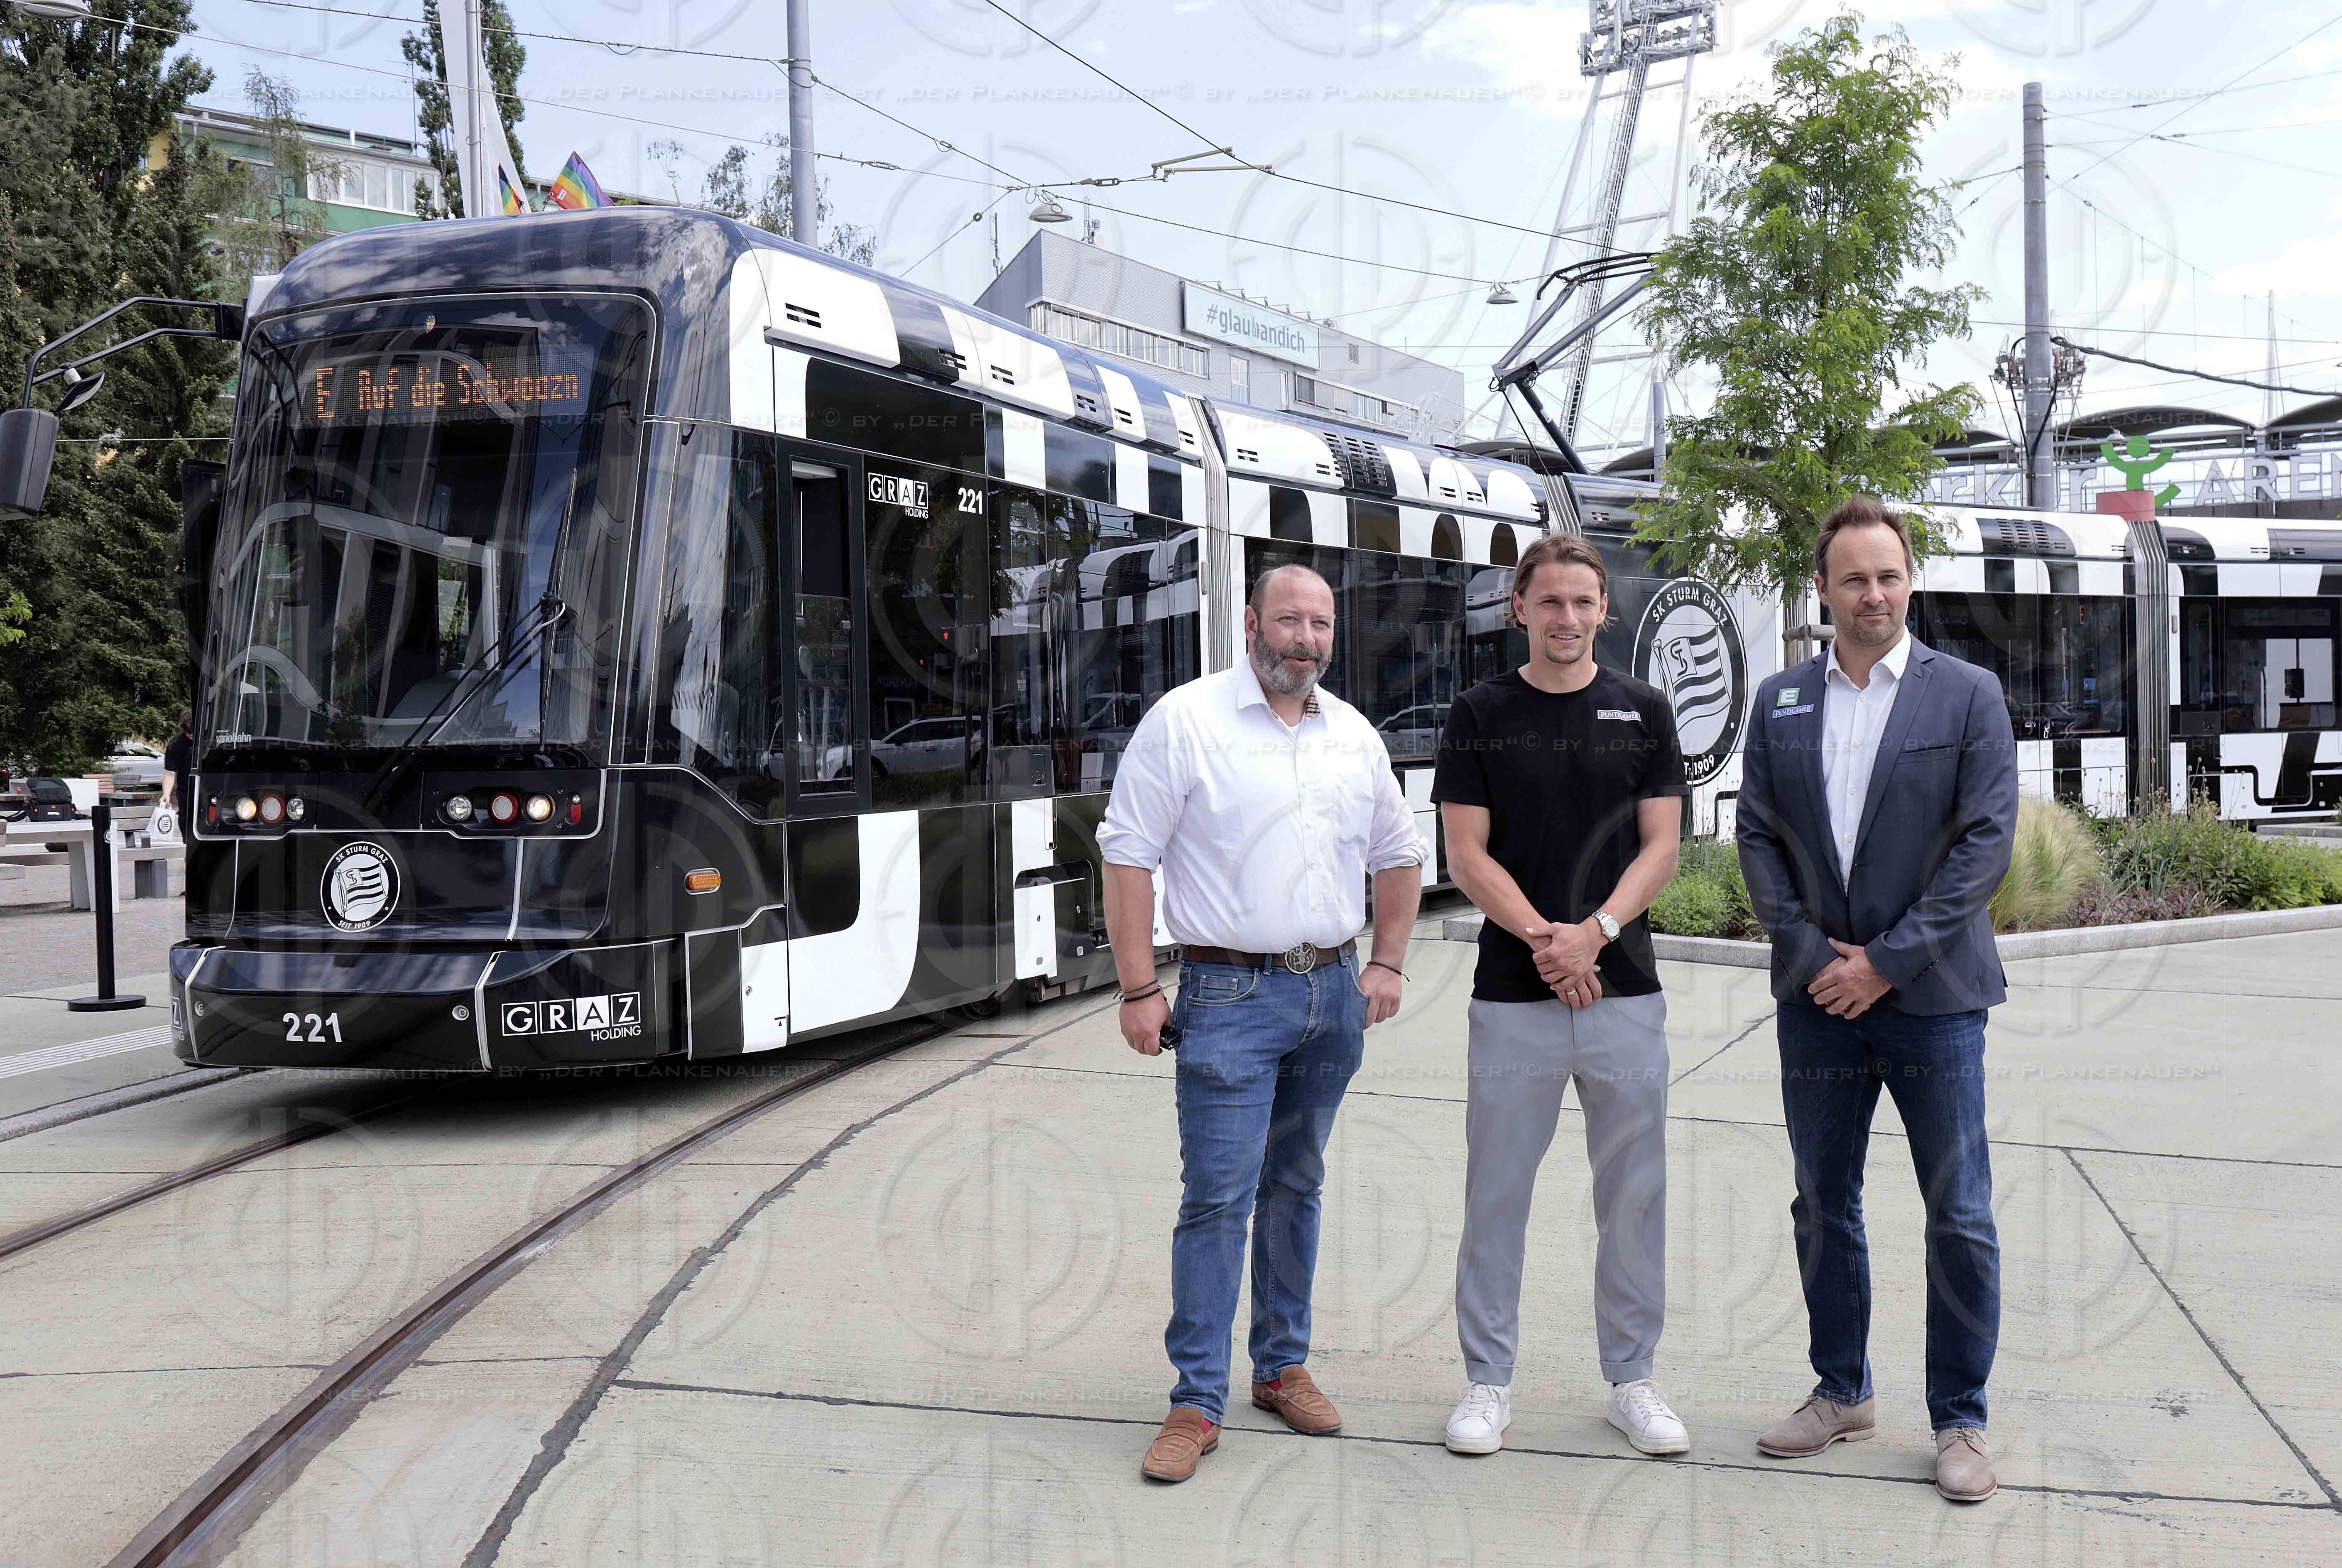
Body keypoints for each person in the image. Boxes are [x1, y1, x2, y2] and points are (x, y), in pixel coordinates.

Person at [1098, 562, 1427, 1485]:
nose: (1306, 640)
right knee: (1217, 1196)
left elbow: (1399, 855)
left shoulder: (1353, 735)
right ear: (1251, 624)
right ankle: (1195, 1402)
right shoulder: (1188, 720)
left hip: (1331, 996)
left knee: (1298, 1182)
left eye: (1321, 624)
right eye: (1290, 621)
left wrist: (1389, 962)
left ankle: (1281, 1365)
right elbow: (1127, 856)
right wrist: (1136, 989)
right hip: (1227, 998)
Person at [1735, 495, 2017, 1504]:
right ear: (1822, 588)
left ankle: (1959, 1420)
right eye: (1852, 578)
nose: (1872, 593)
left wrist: (1885, 963)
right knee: (1822, 1202)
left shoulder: (1966, 694)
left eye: (1888, 575)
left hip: (1931, 998)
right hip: (1817, 999)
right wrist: (1817, 956)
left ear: (1910, 580)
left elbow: (1983, 843)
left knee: (1959, 1211)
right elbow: (1755, 837)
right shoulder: (1778, 702)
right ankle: (1840, 1389)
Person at [1430, 532, 1692, 1460]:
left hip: (1623, 992)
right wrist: (1550, 941)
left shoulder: (1644, 709)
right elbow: (1468, 855)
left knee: (1633, 1197)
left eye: (1584, 602)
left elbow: (1662, 847)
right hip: (1513, 997)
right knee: (1497, 1196)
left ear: (1603, 612)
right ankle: (1486, 1383)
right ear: (1520, 609)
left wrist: (1598, 935)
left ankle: (1633, 1381)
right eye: (1551, 602)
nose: (1568, 618)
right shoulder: (1479, 712)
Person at [161, 709, 194, 815]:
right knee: (185, 821)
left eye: (193, 733)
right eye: (188, 733)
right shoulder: (176, 744)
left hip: (208, 788)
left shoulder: (211, 739)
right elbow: (170, 773)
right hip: (186, 791)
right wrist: (166, 794)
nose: (191, 736)